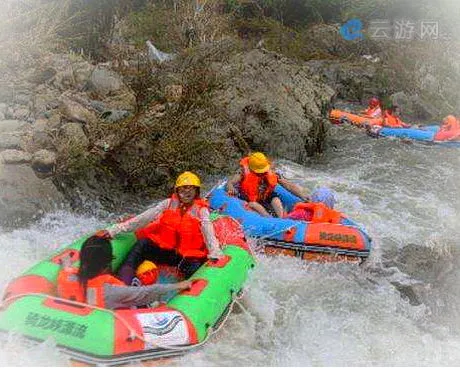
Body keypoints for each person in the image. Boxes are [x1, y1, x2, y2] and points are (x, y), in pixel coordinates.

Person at [97, 171, 224, 284]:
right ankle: (123, 279)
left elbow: (208, 232)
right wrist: (114, 230)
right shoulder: (168, 204)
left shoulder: (201, 211)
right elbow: (143, 218)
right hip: (165, 252)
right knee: (143, 244)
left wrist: (215, 252)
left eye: (191, 189)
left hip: (187, 257)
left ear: (196, 192)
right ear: (177, 191)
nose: (187, 192)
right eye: (184, 189)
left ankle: (184, 302)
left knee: (195, 270)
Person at [56, 236, 191, 309]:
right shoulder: (109, 292)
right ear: (106, 264)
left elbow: (66, 265)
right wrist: (178, 286)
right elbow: (147, 292)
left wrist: (66, 259)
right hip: (114, 315)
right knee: (153, 301)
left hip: (88, 311)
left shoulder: (65, 275)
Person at [226, 152, 309, 218]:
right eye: (260, 172)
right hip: (249, 198)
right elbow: (230, 183)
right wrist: (231, 188)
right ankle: (268, 218)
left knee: (275, 198)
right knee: (254, 205)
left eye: (264, 170)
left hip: (264, 195)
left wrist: (302, 196)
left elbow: (287, 185)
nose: (263, 173)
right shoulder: (242, 172)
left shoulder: (270, 172)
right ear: (251, 169)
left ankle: (282, 218)